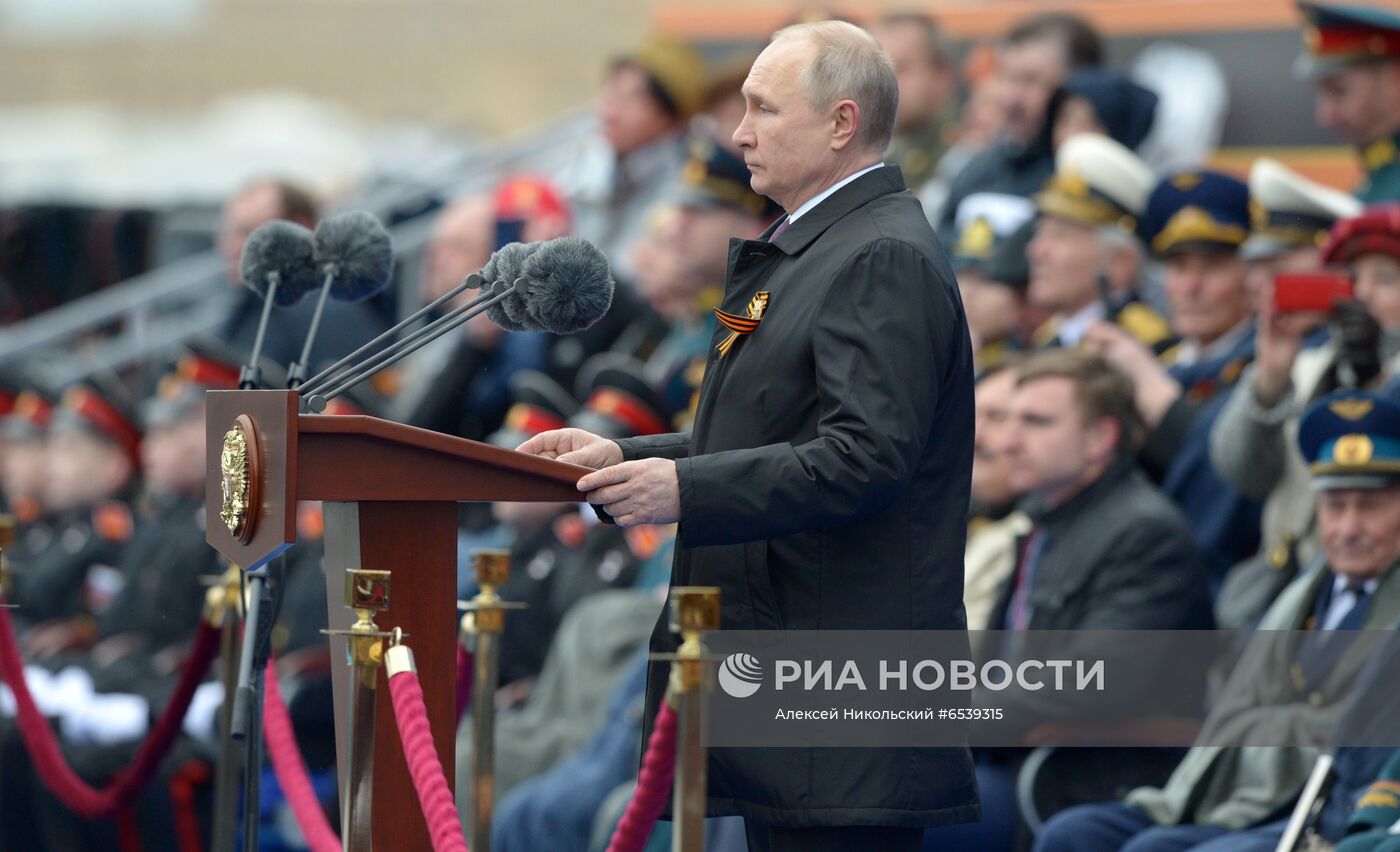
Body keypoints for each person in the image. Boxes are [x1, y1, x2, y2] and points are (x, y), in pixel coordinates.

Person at [518, 20, 977, 851]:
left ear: (841, 123)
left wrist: (682, 491)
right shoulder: (817, 246)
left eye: (764, 110)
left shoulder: (879, 257)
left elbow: (866, 458)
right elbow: (762, 434)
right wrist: (626, 457)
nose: (739, 132)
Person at [1034, 389, 1400, 852]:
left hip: (1325, 803)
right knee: (1072, 835)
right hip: (1239, 786)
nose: (1348, 529)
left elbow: (1358, 731)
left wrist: (1265, 727)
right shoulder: (1303, 592)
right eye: (1334, 506)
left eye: (1370, 507)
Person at [1211, 205, 1400, 626]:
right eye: (1352, 279)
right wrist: (1271, 377)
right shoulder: (1309, 364)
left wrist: (1374, 377)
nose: (1363, 295)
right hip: (1293, 587)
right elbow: (1242, 472)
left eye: (1386, 279)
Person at [1087, 169, 1261, 579]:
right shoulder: (1163, 356)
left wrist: (1150, 387)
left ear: (1251, 277)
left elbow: (1227, 475)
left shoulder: (1262, 370)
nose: (1191, 286)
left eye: (1214, 267)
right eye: (1178, 267)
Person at [937, 12, 1103, 239]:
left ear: (1081, 85)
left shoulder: (1096, 184)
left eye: (1030, 80)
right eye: (1007, 78)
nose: (1012, 99)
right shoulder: (975, 171)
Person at [562, 36, 710, 282]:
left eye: (634, 96)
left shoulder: (686, 181)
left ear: (669, 118)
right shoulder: (592, 160)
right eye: (612, 89)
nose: (612, 105)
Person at [215, 178, 391, 372]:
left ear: (300, 228)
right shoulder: (247, 308)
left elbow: (343, 400)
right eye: (228, 234)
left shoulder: (329, 315)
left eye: (248, 233)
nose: (231, 247)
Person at [1026, 133, 1171, 352]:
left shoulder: (1146, 346)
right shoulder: (1050, 338)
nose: (1036, 251)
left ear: (1119, 261)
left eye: (1060, 236)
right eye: (1040, 234)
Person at [1297, 2, 1400, 203]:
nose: (1325, 116)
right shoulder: (1378, 175)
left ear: (1395, 80)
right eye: (1322, 94)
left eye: (1339, 91)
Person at [870, 12, 959, 191]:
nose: (884, 83)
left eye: (900, 68)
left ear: (941, 75)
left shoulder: (961, 152)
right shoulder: (866, 151)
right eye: (876, 70)